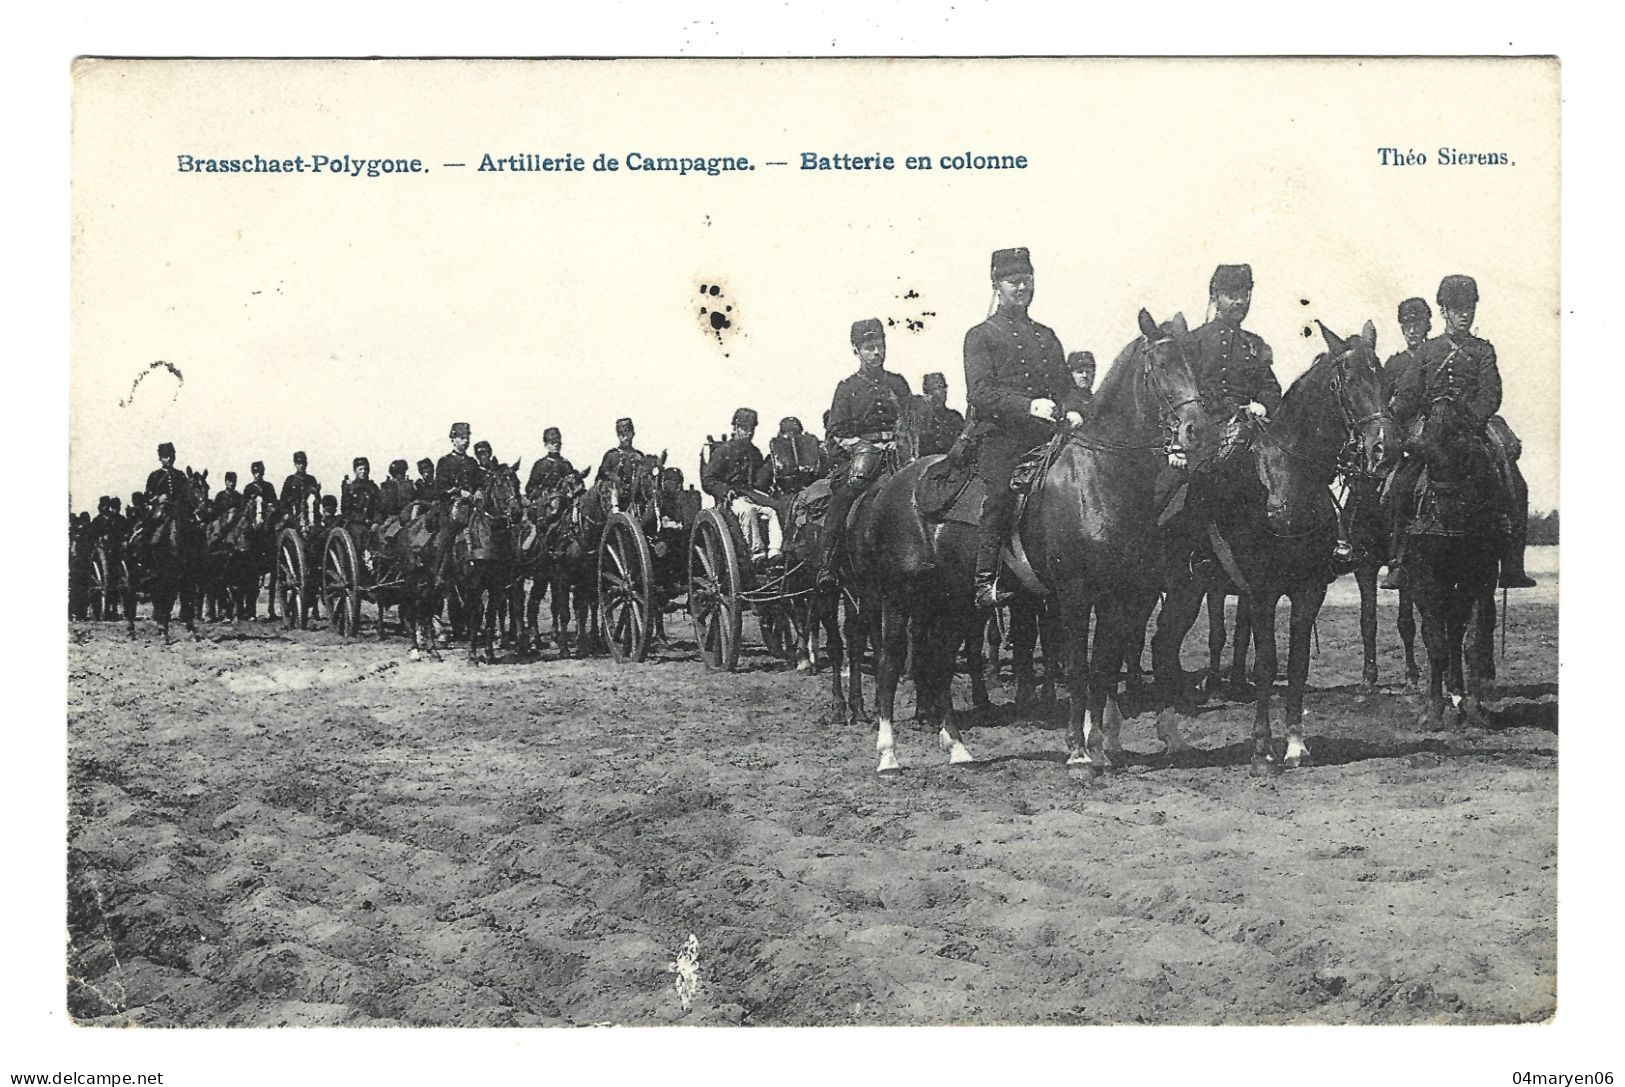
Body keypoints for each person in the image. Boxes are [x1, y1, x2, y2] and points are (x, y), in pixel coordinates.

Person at [1385, 274, 1535, 589]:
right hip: (1433, 427)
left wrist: (1472, 418)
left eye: (1468, 307)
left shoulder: (1483, 350)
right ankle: (1399, 561)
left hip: (1473, 425)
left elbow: (1491, 393)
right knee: (1400, 483)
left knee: (1514, 478)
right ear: (1442, 310)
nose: (1464, 314)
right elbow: (1411, 392)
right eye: (1455, 308)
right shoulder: (1428, 351)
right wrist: (1394, 413)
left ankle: (1511, 564)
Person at [964, 248, 1086, 607]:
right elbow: (980, 392)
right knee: (1000, 494)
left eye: (1027, 280)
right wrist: (1027, 405)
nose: (1022, 286)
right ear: (996, 285)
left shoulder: (1046, 335)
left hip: (1049, 437)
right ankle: (985, 579)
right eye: (1013, 280)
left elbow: (1067, 387)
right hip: (1004, 437)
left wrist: (1074, 408)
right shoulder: (980, 335)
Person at [817, 319, 914, 587]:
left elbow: (910, 419)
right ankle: (828, 563)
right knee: (843, 498)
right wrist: (864, 446)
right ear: (856, 350)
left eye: (880, 346)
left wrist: (901, 440)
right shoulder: (847, 388)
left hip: (901, 454)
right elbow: (837, 431)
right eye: (869, 347)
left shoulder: (898, 383)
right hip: (863, 458)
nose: (876, 353)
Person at [704, 407, 781, 562]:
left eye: (751, 429)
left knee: (772, 511)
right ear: (735, 428)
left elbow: (760, 483)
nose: (749, 433)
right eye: (745, 429)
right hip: (730, 500)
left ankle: (774, 551)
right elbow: (709, 479)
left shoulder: (755, 453)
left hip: (751, 495)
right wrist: (725, 491)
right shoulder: (723, 451)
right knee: (748, 511)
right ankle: (756, 553)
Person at [756, 416, 825, 497]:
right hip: (812, 496)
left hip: (786, 498)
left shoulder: (775, 458)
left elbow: (761, 482)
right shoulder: (816, 451)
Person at [597, 417, 647, 512]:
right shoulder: (611, 455)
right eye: (621, 434)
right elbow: (602, 476)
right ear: (618, 435)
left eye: (628, 433)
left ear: (633, 434)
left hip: (636, 499)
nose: (625, 437)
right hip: (614, 499)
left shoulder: (639, 456)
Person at [918, 372, 967, 457]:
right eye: (933, 388)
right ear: (926, 393)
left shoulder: (955, 418)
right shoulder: (919, 420)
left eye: (941, 387)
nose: (938, 393)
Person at [526, 427, 578, 499]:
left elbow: (573, 485)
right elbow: (530, 488)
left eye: (558, 442)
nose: (556, 445)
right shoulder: (540, 464)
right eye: (552, 443)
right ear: (546, 445)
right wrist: (543, 492)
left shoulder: (566, 464)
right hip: (545, 502)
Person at [436, 423, 479, 501]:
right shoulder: (444, 462)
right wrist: (459, 491)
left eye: (467, 438)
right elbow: (442, 488)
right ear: (453, 440)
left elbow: (478, 482)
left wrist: (479, 490)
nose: (466, 441)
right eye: (462, 438)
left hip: (472, 502)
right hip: (451, 503)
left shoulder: (472, 462)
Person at [280, 451, 322, 527]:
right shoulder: (290, 480)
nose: (301, 466)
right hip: (294, 513)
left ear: (306, 463)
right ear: (295, 464)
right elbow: (283, 499)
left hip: (309, 512)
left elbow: (317, 499)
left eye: (303, 463)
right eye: (299, 463)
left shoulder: (311, 479)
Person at [341, 456, 382, 523]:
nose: (363, 471)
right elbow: (346, 510)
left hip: (371, 523)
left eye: (365, 469)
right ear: (355, 471)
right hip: (354, 523)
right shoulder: (349, 488)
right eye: (360, 469)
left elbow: (378, 508)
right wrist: (362, 519)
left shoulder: (373, 487)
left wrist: (376, 522)